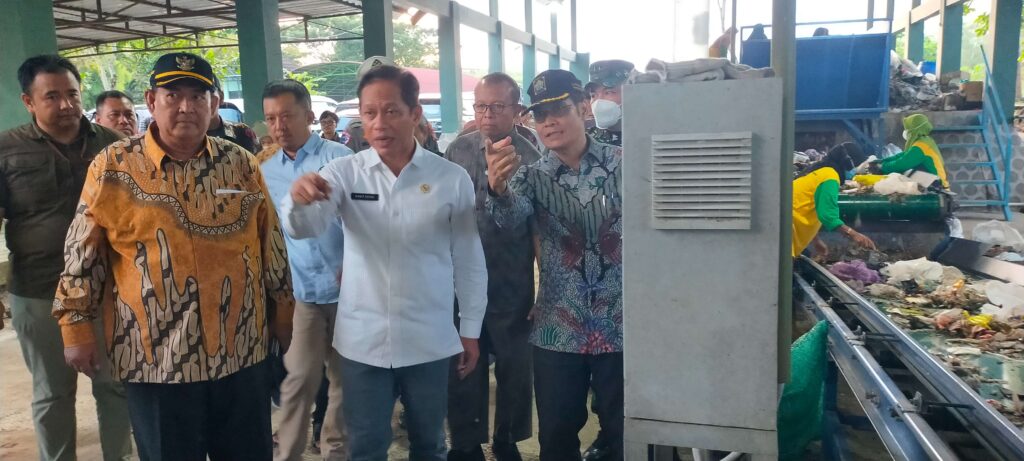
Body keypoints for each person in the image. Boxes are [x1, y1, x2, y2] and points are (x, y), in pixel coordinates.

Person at [53, 52, 294, 460]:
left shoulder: (239, 162)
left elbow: (270, 243)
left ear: (214, 103)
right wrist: (75, 328)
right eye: (173, 95)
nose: (186, 106)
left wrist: (284, 314)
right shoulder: (113, 166)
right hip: (156, 359)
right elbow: (82, 252)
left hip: (241, 351)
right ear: (151, 101)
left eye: (198, 96)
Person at [283, 64, 488, 461]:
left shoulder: (450, 178)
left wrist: (470, 329)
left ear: (415, 114)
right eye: (370, 113)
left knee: (429, 444)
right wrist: (299, 201)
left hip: (429, 338)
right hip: (363, 341)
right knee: (366, 447)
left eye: (392, 111)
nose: (379, 124)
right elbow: (308, 227)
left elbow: (468, 259)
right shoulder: (343, 173)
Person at [485, 69, 624, 461]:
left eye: (559, 110)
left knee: (625, 434)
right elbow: (510, 218)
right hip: (557, 327)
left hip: (622, 324)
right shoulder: (532, 177)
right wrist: (497, 189)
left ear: (583, 107)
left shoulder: (623, 165)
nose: (548, 122)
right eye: (540, 115)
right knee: (557, 438)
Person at [0, 54, 130, 461]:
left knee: (115, 386)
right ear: (28, 101)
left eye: (72, 94)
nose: (66, 105)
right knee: (53, 392)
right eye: (52, 96)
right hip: (39, 290)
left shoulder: (113, 145)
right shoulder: (7, 150)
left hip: (109, 289)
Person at [444, 72, 542, 461]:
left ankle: (507, 438)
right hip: (460, 279)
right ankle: (465, 442)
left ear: (517, 110)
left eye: (497, 106)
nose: (487, 114)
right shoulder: (457, 150)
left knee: (514, 368)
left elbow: (539, 229)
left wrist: (545, 288)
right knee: (463, 363)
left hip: (511, 279)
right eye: (481, 106)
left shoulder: (531, 158)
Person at [261, 79, 353, 461]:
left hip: (348, 294)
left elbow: (358, 218)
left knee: (343, 383)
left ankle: (335, 453)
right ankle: (288, 454)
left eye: (287, 115)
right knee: (298, 378)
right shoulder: (265, 170)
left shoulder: (340, 159)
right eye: (271, 118)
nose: (279, 126)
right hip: (304, 295)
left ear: (309, 115)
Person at [793, 142, 878, 258]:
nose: (855, 171)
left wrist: (816, 241)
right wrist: (853, 234)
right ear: (847, 164)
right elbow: (827, 215)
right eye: (855, 167)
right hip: (788, 230)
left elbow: (806, 207)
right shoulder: (830, 176)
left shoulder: (820, 171)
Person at [869, 114, 949, 189]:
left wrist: (882, 167)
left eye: (907, 129)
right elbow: (903, 155)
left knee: (903, 174)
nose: (905, 132)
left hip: (937, 187)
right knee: (905, 175)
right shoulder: (924, 141)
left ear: (914, 130)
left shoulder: (921, 147)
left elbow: (902, 164)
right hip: (932, 181)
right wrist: (883, 161)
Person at [586, 60, 633, 148]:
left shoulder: (646, 137)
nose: (598, 101)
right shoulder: (585, 139)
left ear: (630, 95)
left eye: (608, 92)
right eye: (593, 95)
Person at [208, 76, 260, 153]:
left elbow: (261, 158)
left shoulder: (242, 132)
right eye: (196, 97)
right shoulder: (189, 137)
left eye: (209, 95)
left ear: (221, 98)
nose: (204, 102)